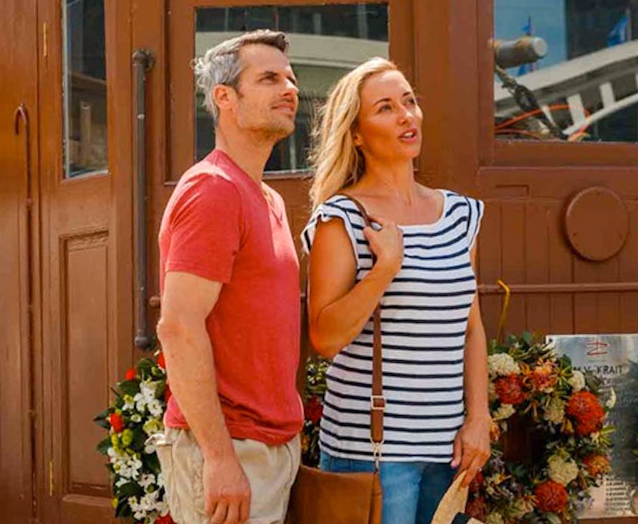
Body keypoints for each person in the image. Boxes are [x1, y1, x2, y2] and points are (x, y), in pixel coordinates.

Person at [302, 57, 490, 524]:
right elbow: (325, 338)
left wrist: (478, 419)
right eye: (385, 108)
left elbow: (471, 328)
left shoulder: (460, 216)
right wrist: (385, 266)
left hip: (448, 453)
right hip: (372, 454)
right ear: (357, 134)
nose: (406, 116)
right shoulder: (342, 218)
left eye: (409, 101)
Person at [155, 30, 304, 524]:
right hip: (228, 449)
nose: (290, 88)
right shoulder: (214, 191)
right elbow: (177, 327)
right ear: (225, 98)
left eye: (290, 77)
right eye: (268, 78)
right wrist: (219, 458)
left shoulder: (269, 200)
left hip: (269, 447)